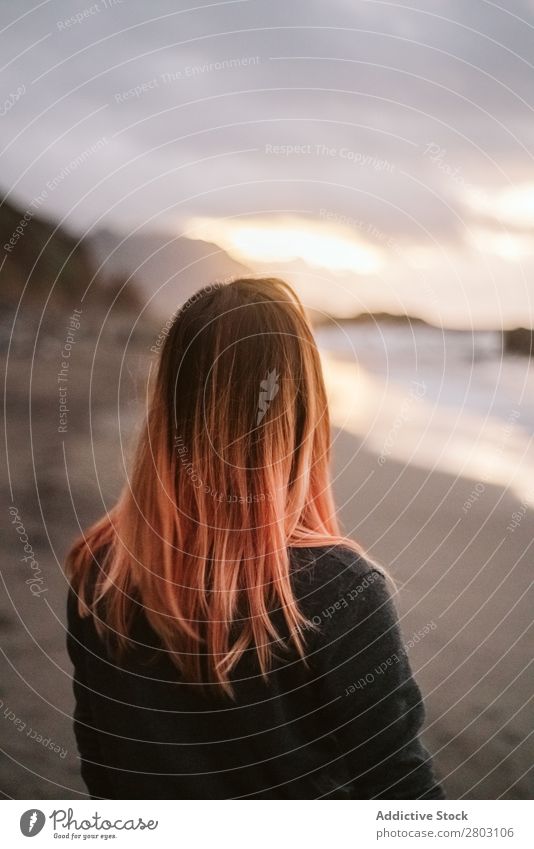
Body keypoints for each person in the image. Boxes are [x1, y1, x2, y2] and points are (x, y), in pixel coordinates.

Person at [65, 277, 444, 800]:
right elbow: (401, 786)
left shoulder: (98, 570)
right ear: (303, 408)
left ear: (170, 400)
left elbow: (101, 764)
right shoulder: (340, 588)